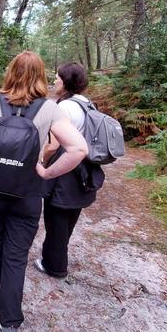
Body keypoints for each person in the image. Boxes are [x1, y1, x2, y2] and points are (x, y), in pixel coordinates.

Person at [0, 51, 88, 332]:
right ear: (40, 76)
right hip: (26, 195)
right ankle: (10, 324)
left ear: (10, 73)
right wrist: (47, 174)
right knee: (15, 256)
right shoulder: (50, 109)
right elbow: (78, 149)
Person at [36, 62, 104, 279]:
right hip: (84, 169)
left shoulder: (63, 107)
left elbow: (54, 145)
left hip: (65, 169)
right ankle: (57, 254)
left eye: (57, 77)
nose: (54, 81)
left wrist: (43, 163)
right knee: (70, 216)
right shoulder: (87, 103)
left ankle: (54, 265)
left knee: (56, 216)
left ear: (66, 82)